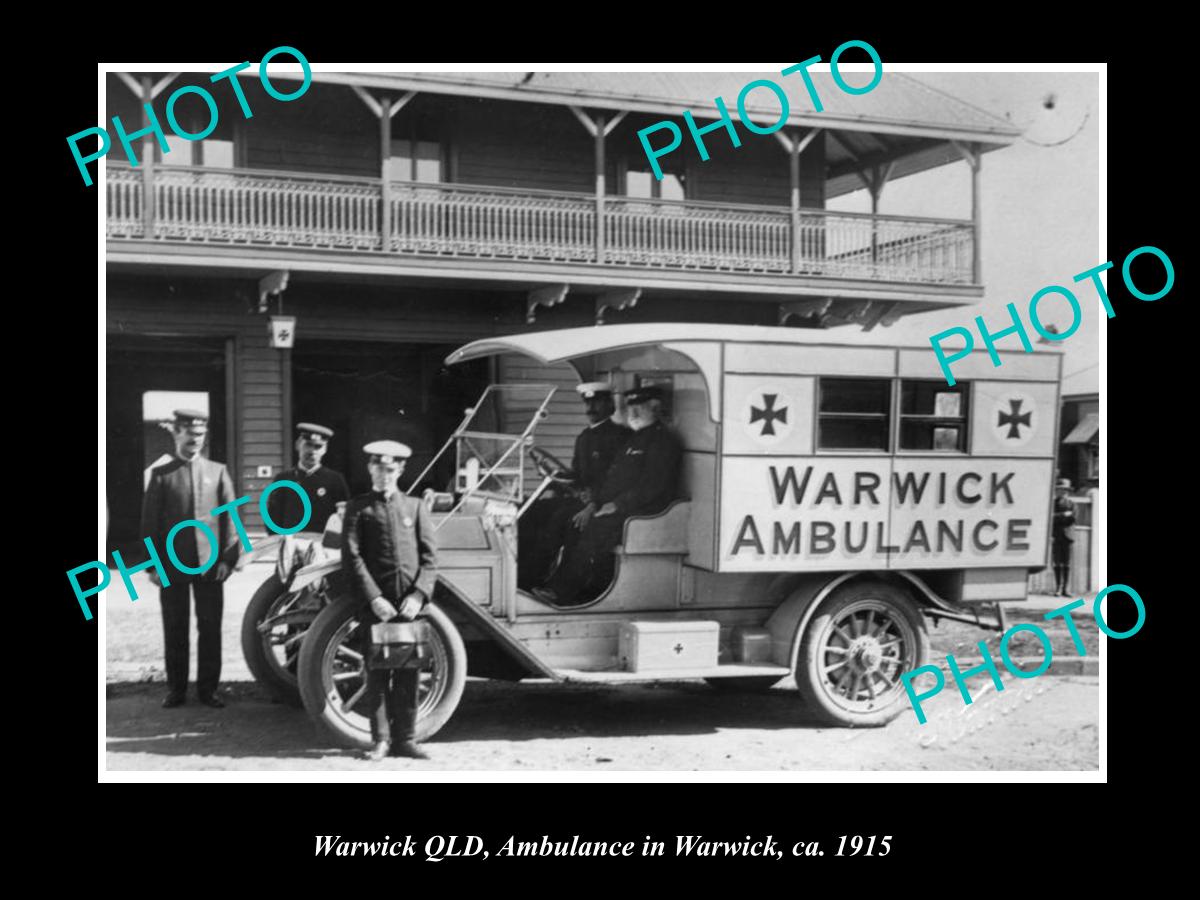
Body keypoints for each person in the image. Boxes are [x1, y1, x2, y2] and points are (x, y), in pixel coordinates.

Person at [533, 385, 682, 607]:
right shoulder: (636, 438)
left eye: (639, 407)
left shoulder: (662, 442)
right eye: (631, 406)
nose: (633, 412)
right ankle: (568, 586)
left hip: (646, 510)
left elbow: (652, 486)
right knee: (576, 523)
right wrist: (595, 503)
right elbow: (613, 481)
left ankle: (563, 591)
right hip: (622, 505)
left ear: (655, 409)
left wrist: (616, 505)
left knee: (596, 526)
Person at [342, 440, 438, 761]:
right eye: (378, 468)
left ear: (400, 470)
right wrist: (373, 599)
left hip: (410, 606)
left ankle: (406, 739)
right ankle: (380, 740)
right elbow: (352, 558)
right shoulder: (358, 509)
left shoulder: (415, 508)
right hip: (378, 607)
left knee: (410, 673)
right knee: (378, 673)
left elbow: (430, 558)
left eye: (390, 469)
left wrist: (418, 594)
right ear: (370, 469)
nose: (384, 474)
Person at [141, 410, 241, 708]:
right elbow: (149, 525)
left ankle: (209, 690)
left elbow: (230, 520)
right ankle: (176, 689)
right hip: (172, 566)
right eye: (188, 434)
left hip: (211, 566)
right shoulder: (161, 475)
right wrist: (153, 566)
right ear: (176, 434)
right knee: (175, 626)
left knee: (209, 627)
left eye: (199, 434)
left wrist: (227, 559)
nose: (194, 440)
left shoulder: (218, 471)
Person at [518, 382, 629, 588]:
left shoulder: (619, 437)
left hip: (601, 502)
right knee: (530, 512)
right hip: (581, 499)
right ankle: (522, 576)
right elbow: (576, 475)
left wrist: (593, 503)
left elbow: (617, 480)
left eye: (597, 403)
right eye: (588, 403)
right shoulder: (584, 437)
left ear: (609, 405)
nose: (591, 409)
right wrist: (552, 477)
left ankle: (545, 582)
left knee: (560, 520)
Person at [267, 423, 349, 534]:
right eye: (308, 445)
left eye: (318, 447)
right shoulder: (283, 479)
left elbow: (343, 518)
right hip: (291, 543)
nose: (312, 451)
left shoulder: (335, 480)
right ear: (297, 445)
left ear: (325, 450)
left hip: (322, 544)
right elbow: (272, 517)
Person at [1051, 477, 1076, 596]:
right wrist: (1063, 515)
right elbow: (1050, 517)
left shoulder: (1072, 504)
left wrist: (1061, 517)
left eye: (1065, 490)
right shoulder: (1053, 503)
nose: (1063, 492)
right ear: (1057, 490)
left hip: (1068, 536)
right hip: (1056, 535)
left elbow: (1073, 518)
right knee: (1057, 563)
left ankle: (1066, 588)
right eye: (1061, 489)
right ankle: (1058, 588)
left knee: (1067, 563)